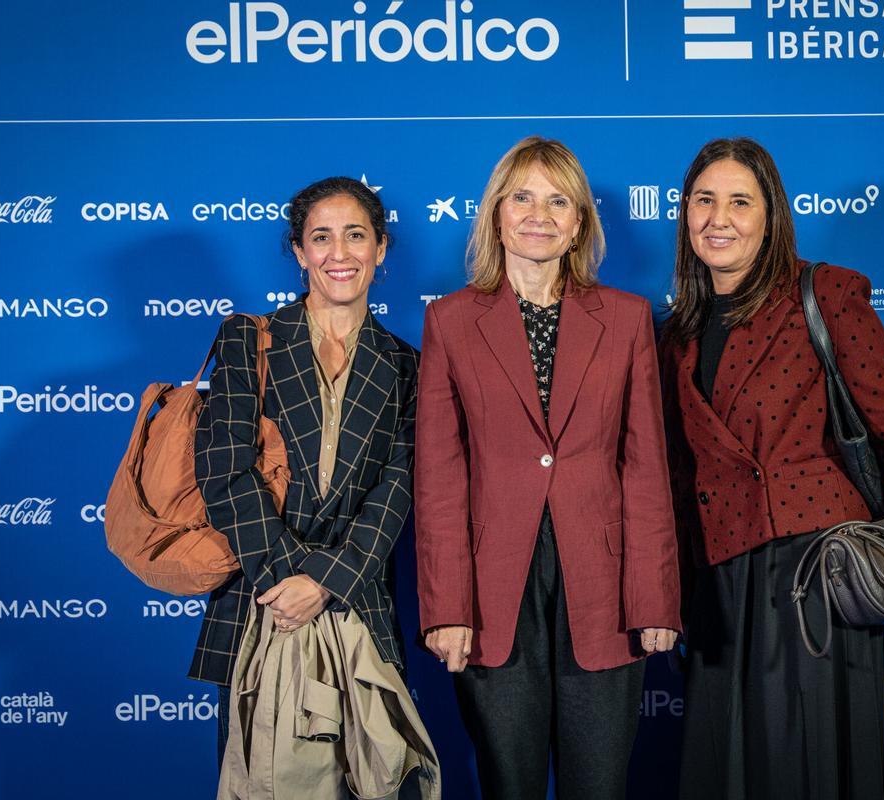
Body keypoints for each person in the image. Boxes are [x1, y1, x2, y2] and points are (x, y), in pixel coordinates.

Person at [660, 138, 884, 800]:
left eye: (740, 201)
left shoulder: (823, 294)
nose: (720, 217)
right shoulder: (675, 331)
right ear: (684, 215)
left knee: (809, 773)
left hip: (817, 584)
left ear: (770, 216)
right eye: (704, 200)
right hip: (718, 588)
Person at [414, 136, 681, 800]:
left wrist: (654, 597)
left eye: (559, 200)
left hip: (606, 586)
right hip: (491, 592)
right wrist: (446, 606)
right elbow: (440, 477)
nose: (539, 214)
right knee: (510, 784)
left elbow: (646, 466)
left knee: (599, 786)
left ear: (580, 223)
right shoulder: (449, 322)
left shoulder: (624, 319)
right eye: (522, 197)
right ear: (496, 214)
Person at [191, 176, 421, 776]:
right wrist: (287, 580)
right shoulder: (248, 338)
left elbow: (398, 485)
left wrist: (324, 581)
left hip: (356, 601)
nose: (339, 254)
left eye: (355, 236)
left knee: (372, 781)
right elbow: (223, 472)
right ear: (298, 252)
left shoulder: (405, 364)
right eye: (321, 238)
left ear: (381, 249)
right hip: (261, 602)